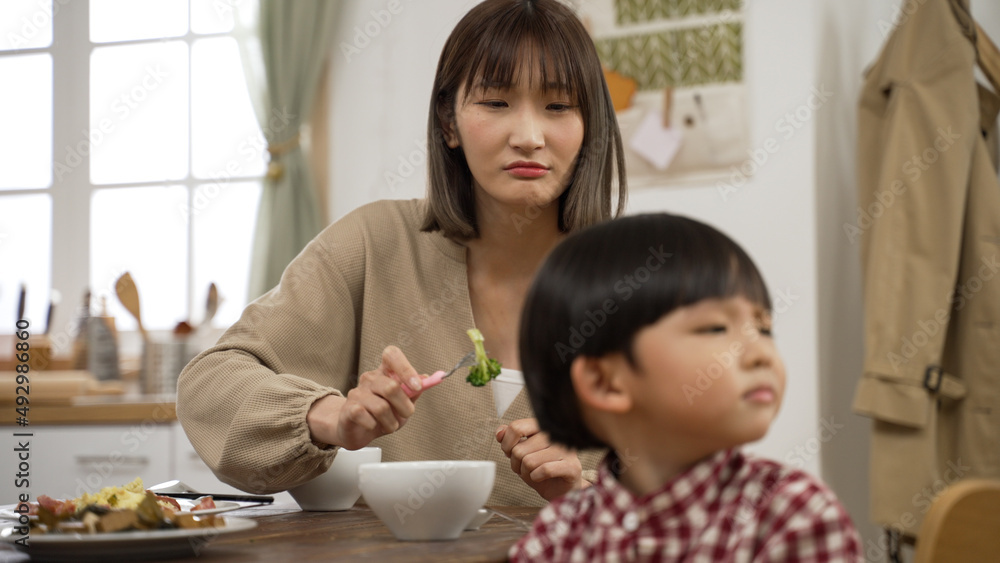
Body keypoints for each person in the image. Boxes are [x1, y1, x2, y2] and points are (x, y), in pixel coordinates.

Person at [176, 0, 627, 507]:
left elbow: (700, 504)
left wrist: (589, 498)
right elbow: (210, 386)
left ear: (591, 125)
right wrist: (327, 417)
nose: (528, 136)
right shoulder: (373, 244)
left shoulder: (643, 284)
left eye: (559, 106)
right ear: (449, 123)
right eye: (495, 103)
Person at [510, 214, 864, 561]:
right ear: (605, 383)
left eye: (764, 328)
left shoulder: (795, 516)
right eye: (715, 328)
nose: (761, 354)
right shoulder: (558, 535)